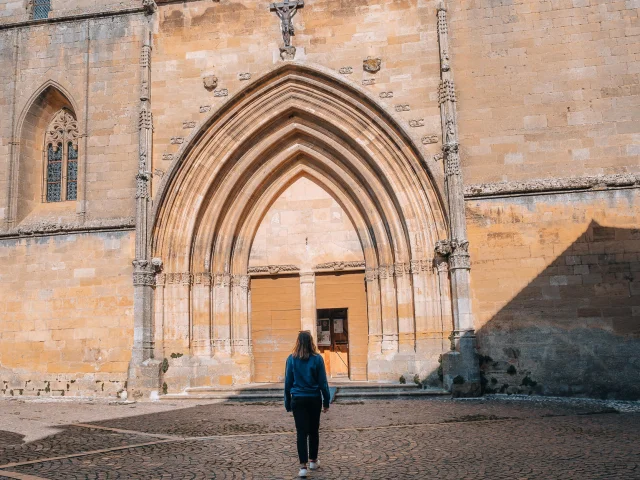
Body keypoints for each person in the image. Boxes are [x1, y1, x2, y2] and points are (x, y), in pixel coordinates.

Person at [284, 330, 331, 478]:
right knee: (313, 431)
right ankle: (313, 460)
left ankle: (302, 467)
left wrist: (287, 402)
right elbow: (323, 382)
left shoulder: (291, 359)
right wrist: (326, 401)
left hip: (298, 399)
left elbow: (287, 383)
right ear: (311, 341)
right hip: (313, 399)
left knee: (301, 432)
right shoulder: (317, 359)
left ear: (298, 342)